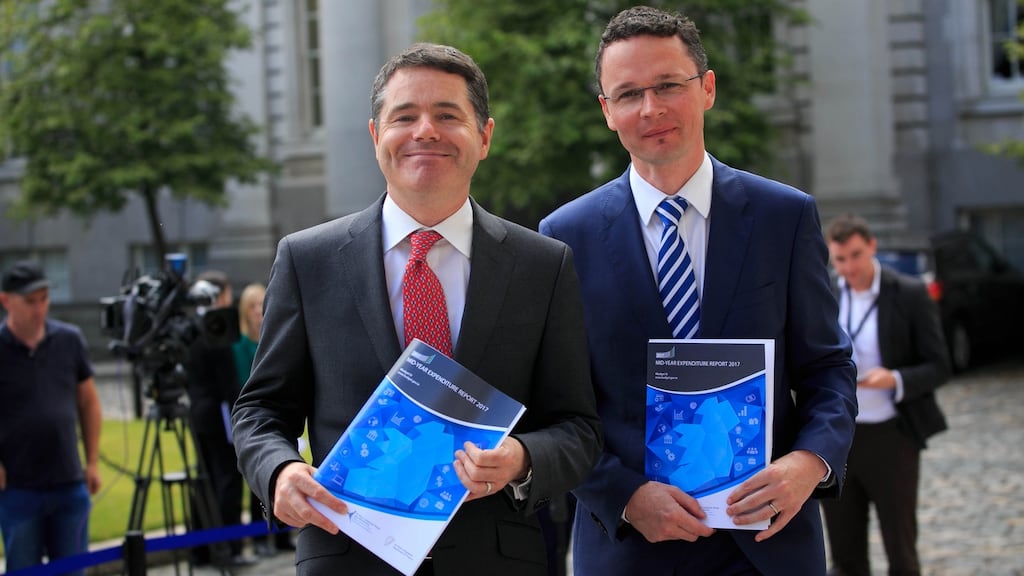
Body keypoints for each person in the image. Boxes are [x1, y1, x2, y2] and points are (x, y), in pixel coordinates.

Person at [231, 42, 602, 576]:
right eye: (405, 116)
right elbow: (260, 410)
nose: (425, 130)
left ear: (485, 136)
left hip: (494, 560)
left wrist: (521, 460)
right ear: (376, 135)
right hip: (346, 556)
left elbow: (578, 427)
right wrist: (279, 471)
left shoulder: (542, 266)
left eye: (447, 115)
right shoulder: (307, 260)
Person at [539, 6, 858, 575]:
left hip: (769, 543)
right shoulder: (565, 237)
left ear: (707, 88)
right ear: (607, 111)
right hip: (629, 547)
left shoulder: (783, 216)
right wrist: (624, 497)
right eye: (629, 93)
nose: (652, 108)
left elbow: (828, 368)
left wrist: (809, 463)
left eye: (668, 85)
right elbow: (554, 405)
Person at [822, 214, 950, 576]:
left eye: (856, 256)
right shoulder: (826, 292)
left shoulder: (908, 293)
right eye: (841, 260)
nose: (849, 267)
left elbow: (939, 365)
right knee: (844, 552)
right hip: (837, 438)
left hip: (892, 436)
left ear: (872, 246)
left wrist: (893, 378)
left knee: (900, 547)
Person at [0, 260, 102, 574]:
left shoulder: (69, 340)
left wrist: (93, 460)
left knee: (72, 569)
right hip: (18, 487)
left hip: (68, 481)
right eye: (30, 301)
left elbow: (89, 402)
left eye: (44, 299)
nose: (39, 308)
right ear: (6, 301)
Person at [185, 270, 249, 566]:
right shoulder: (216, 329)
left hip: (197, 412)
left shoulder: (189, 329)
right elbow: (228, 382)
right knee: (227, 480)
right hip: (221, 413)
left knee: (204, 478)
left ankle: (200, 551)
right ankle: (229, 550)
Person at [231, 282, 294, 556]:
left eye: (262, 304)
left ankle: (280, 536)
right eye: (253, 306)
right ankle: (259, 539)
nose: (259, 311)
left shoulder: (278, 337)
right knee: (260, 475)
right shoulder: (241, 346)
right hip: (252, 418)